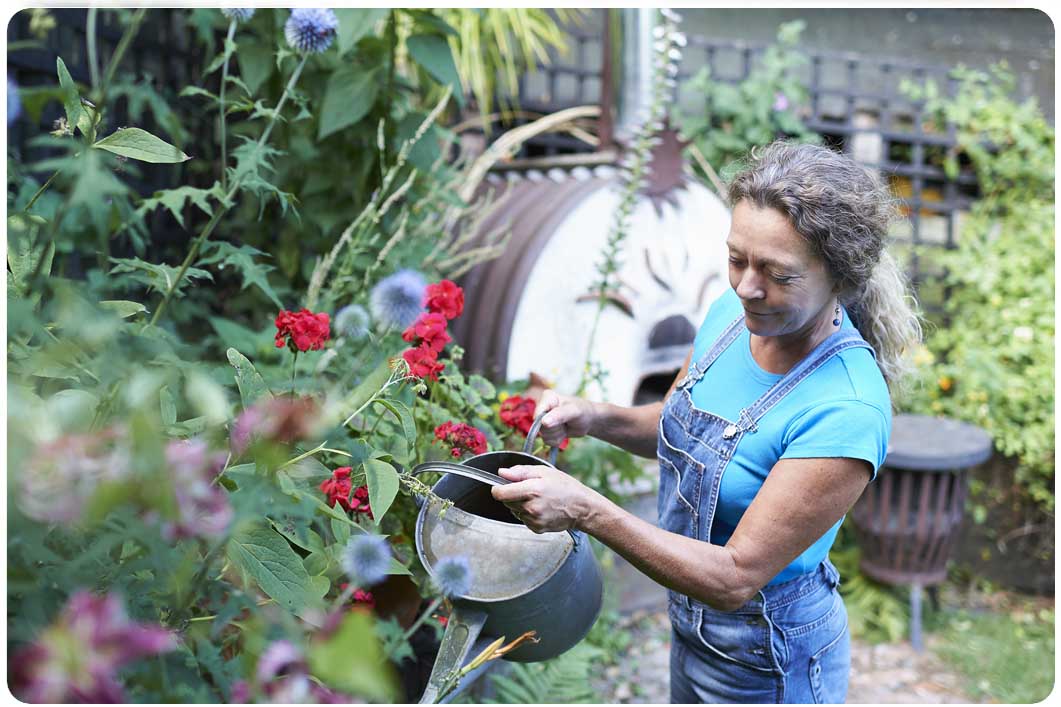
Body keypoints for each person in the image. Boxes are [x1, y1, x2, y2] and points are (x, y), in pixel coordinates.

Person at [492, 140, 922, 704]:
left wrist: (587, 509)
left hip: (769, 658)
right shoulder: (732, 317)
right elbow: (679, 428)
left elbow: (734, 577)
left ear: (839, 278)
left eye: (777, 274)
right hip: (691, 628)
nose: (746, 286)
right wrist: (594, 416)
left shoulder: (846, 408)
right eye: (737, 259)